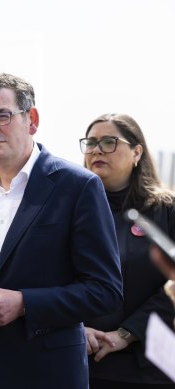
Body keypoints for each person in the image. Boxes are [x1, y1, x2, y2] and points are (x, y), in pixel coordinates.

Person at [0, 73, 123, 389]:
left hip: (48, 376)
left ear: (32, 120)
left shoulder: (78, 186)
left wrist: (24, 303)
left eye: (2, 116)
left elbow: (105, 290)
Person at [80, 113, 175, 388]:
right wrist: (75, 328)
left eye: (109, 142)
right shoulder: (68, 212)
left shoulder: (166, 211)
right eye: (91, 142)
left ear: (136, 152)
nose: (96, 149)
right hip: (83, 362)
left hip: (151, 368)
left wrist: (127, 333)